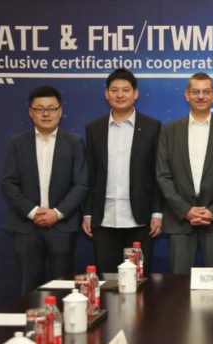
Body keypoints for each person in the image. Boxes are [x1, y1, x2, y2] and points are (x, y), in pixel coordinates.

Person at [1, 86, 88, 293]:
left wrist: (57, 213)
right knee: (30, 288)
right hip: (26, 227)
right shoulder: (17, 142)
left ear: (60, 111)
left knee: (63, 287)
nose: (46, 114)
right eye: (40, 109)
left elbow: (81, 184)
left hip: (61, 226)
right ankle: (32, 317)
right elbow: (8, 182)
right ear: (31, 112)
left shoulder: (74, 142)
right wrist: (33, 212)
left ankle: (62, 317)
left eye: (51, 108)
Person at [156, 72, 213, 274]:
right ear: (187, 95)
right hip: (180, 220)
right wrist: (185, 210)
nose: (201, 96)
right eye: (195, 92)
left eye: (206, 92)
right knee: (178, 286)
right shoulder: (169, 130)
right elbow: (163, 175)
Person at [82, 68, 162, 277]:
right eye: (114, 90)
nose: (120, 95)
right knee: (107, 281)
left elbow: (157, 174)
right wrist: (88, 212)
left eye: (125, 90)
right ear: (106, 94)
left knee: (138, 280)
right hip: (104, 218)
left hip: (140, 219)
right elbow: (90, 174)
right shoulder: (94, 128)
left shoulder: (152, 127)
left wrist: (157, 212)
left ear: (135, 93)